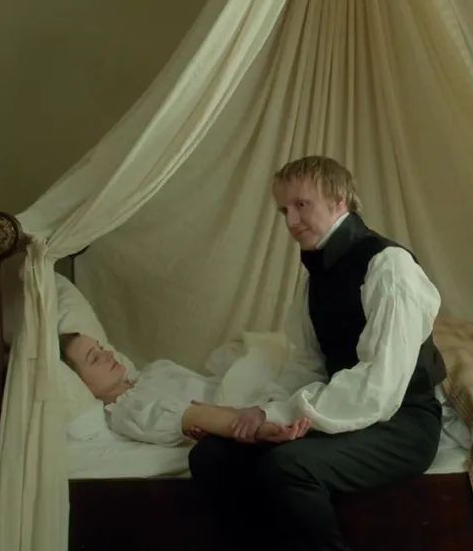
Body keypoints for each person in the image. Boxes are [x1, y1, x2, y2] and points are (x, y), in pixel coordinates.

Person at [188, 155, 447, 550]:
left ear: (339, 200)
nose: (291, 221)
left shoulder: (389, 266)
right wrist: (265, 412)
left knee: (288, 466)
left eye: (301, 205)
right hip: (345, 407)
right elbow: (306, 364)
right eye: (284, 210)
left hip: (402, 422)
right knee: (210, 456)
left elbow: (380, 386)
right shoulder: (316, 279)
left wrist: (284, 414)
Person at [59, 332, 310, 446]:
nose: (107, 354)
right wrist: (265, 428)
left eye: (101, 348)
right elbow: (197, 415)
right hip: (253, 412)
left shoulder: (153, 371)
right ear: (79, 383)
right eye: (94, 358)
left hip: (253, 392)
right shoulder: (129, 411)